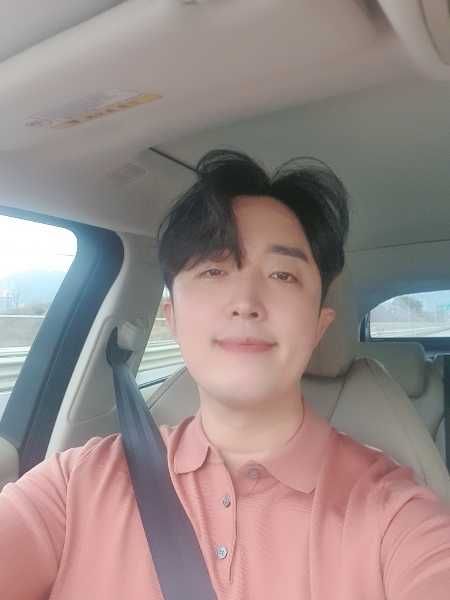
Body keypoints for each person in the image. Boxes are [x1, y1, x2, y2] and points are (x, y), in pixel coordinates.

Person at [1, 149, 450, 599]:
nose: (245, 302)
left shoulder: (392, 512)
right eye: (214, 269)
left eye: (282, 275)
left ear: (318, 326)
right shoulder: (76, 483)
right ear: (173, 319)